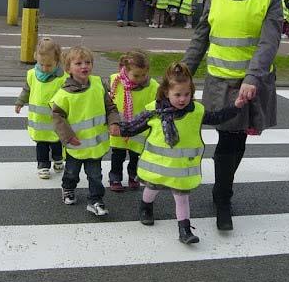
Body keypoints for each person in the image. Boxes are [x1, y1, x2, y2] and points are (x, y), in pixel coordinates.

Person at [182, 0, 283, 231]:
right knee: (228, 138)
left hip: (250, 83)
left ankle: (223, 189)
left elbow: (268, 42)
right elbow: (201, 35)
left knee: (237, 139)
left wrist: (252, 78)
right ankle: (223, 198)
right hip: (219, 81)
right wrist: (184, 71)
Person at [120, 62, 245, 244]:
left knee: (182, 199)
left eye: (187, 94)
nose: (182, 99)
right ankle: (145, 206)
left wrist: (236, 107)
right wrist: (116, 127)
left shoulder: (197, 112)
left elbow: (217, 117)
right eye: (177, 95)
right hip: (157, 169)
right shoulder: (154, 111)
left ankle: (184, 230)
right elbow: (132, 127)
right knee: (151, 190)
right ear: (165, 93)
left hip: (181, 171)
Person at [51, 46, 120, 217]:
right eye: (78, 63)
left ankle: (95, 200)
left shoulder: (98, 84)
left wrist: (113, 123)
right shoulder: (64, 94)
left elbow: (110, 107)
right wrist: (68, 137)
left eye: (88, 62)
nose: (84, 66)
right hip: (76, 144)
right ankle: (68, 188)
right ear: (68, 69)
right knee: (72, 172)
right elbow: (57, 118)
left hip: (95, 145)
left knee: (95, 175)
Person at [15, 37, 67, 179]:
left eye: (49, 65)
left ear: (58, 61)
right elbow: (27, 90)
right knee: (41, 144)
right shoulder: (32, 74)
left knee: (56, 143)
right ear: (36, 58)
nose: (44, 68)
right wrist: (20, 102)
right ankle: (43, 165)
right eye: (41, 64)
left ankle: (58, 159)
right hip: (38, 122)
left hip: (56, 121)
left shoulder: (63, 79)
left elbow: (69, 96)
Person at [108, 50, 159, 191]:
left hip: (139, 129)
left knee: (136, 156)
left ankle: (133, 176)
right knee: (117, 155)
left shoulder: (152, 86)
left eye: (143, 75)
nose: (140, 79)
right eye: (136, 75)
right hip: (120, 127)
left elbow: (157, 103)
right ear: (125, 69)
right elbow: (108, 101)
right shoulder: (115, 81)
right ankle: (115, 178)